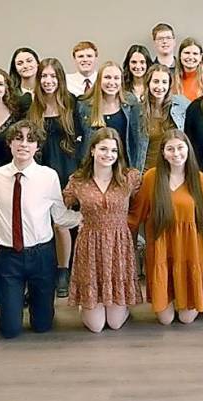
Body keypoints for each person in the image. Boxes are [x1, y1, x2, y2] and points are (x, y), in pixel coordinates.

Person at [0, 120, 81, 339]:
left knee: (43, 325)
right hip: (9, 257)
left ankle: (41, 309)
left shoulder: (48, 177)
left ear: (37, 146)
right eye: (18, 138)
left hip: (41, 255)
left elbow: (59, 215)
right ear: (9, 143)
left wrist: (84, 218)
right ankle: (8, 307)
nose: (24, 144)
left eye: (30, 139)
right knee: (9, 330)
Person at [63, 128, 142, 332]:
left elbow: (142, 206)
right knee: (96, 327)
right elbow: (60, 207)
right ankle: (87, 303)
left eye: (114, 151)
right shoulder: (78, 181)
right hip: (90, 244)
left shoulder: (129, 178)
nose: (109, 155)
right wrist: (77, 219)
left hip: (118, 243)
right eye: (103, 149)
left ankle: (118, 304)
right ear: (92, 150)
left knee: (115, 324)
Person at [129, 130, 203, 325]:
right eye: (170, 149)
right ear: (163, 153)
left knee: (186, 318)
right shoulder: (151, 178)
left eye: (180, 148)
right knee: (165, 320)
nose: (176, 153)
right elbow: (135, 216)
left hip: (189, 249)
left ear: (188, 150)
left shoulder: (198, 178)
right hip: (161, 250)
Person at [27, 58, 80, 297]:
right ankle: (47, 271)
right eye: (43, 77)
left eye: (52, 77)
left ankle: (64, 271)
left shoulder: (72, 104)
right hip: (41, 172)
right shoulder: (32, 107)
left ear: (60, 78)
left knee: (64, 223)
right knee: (43, 223)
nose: (48, 82)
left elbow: (81, 141)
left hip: (68, 170)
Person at [77, 61, 143, 170]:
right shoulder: (84, 105)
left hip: (123, 168)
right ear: (99, 80)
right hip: (94, 168)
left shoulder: (130, 102)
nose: (112, 82)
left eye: (116, 78)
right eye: (107, 77)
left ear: (121, 81)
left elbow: (137, 139)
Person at [140, 64, 190, 170]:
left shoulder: (181, 104)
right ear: (148, 83)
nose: (160, 87)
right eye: (156, 81)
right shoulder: (138, 110)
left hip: (174, 169)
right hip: (147, 170)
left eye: (164, 82)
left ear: (169, 85)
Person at [171, 38, 203, 102]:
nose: (190, 57)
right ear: (180, 55)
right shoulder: (171, 80)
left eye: (195, 54)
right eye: (187, 53)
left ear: (200, 57)